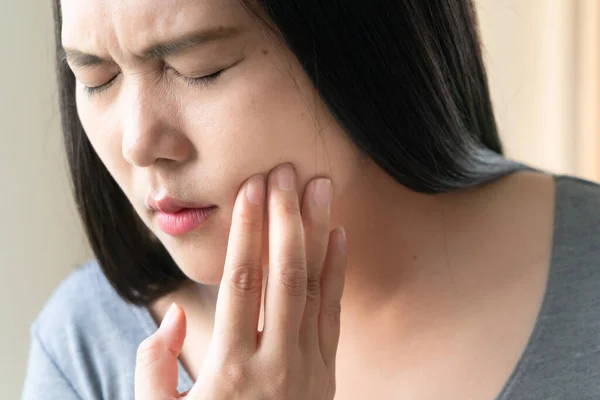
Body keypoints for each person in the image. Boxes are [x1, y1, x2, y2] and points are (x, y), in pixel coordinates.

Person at [21, 0, 600, 398]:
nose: (138, 142)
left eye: (200, 69)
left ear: (367, 47)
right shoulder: (84, 346)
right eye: (96, 79)